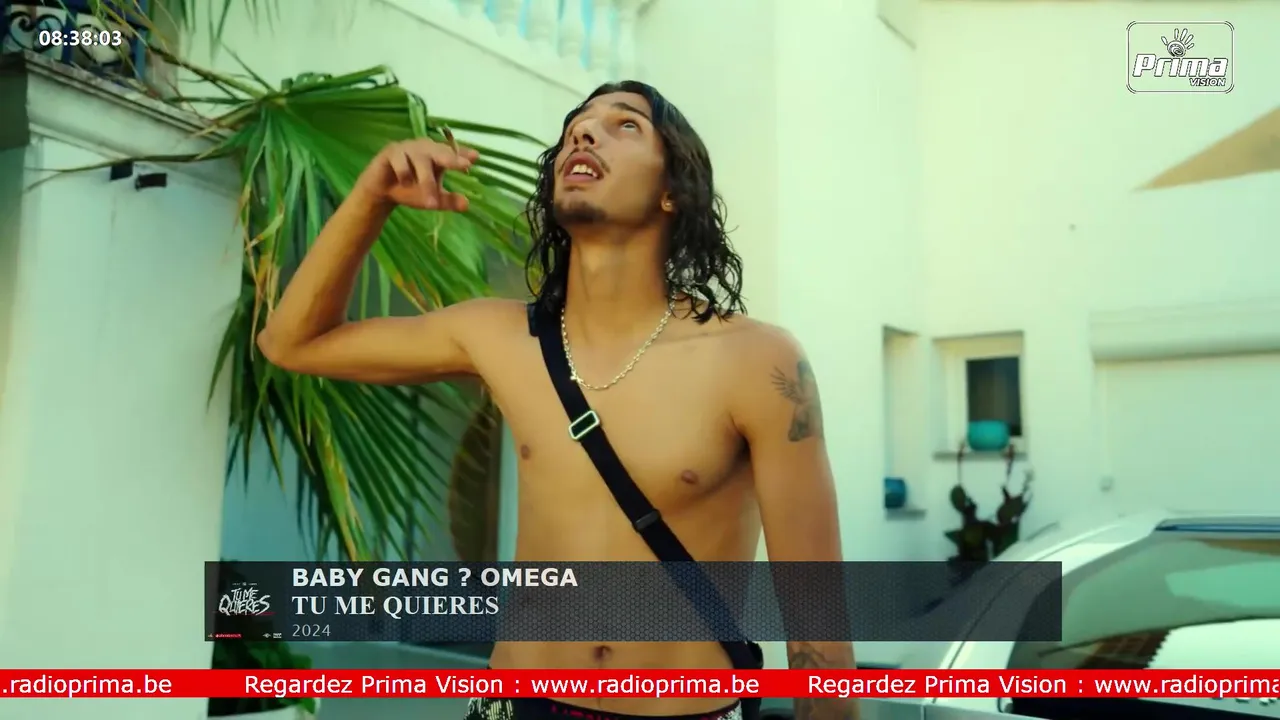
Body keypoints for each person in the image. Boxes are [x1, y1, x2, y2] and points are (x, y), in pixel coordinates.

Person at [258, 81, 858, 720]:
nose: (585, 132)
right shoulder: (498, 336)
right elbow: (292, 343)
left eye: (625, 125)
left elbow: (817, 622)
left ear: (672, 191)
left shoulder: (757, 361)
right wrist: (371, 198)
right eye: (577, 125)